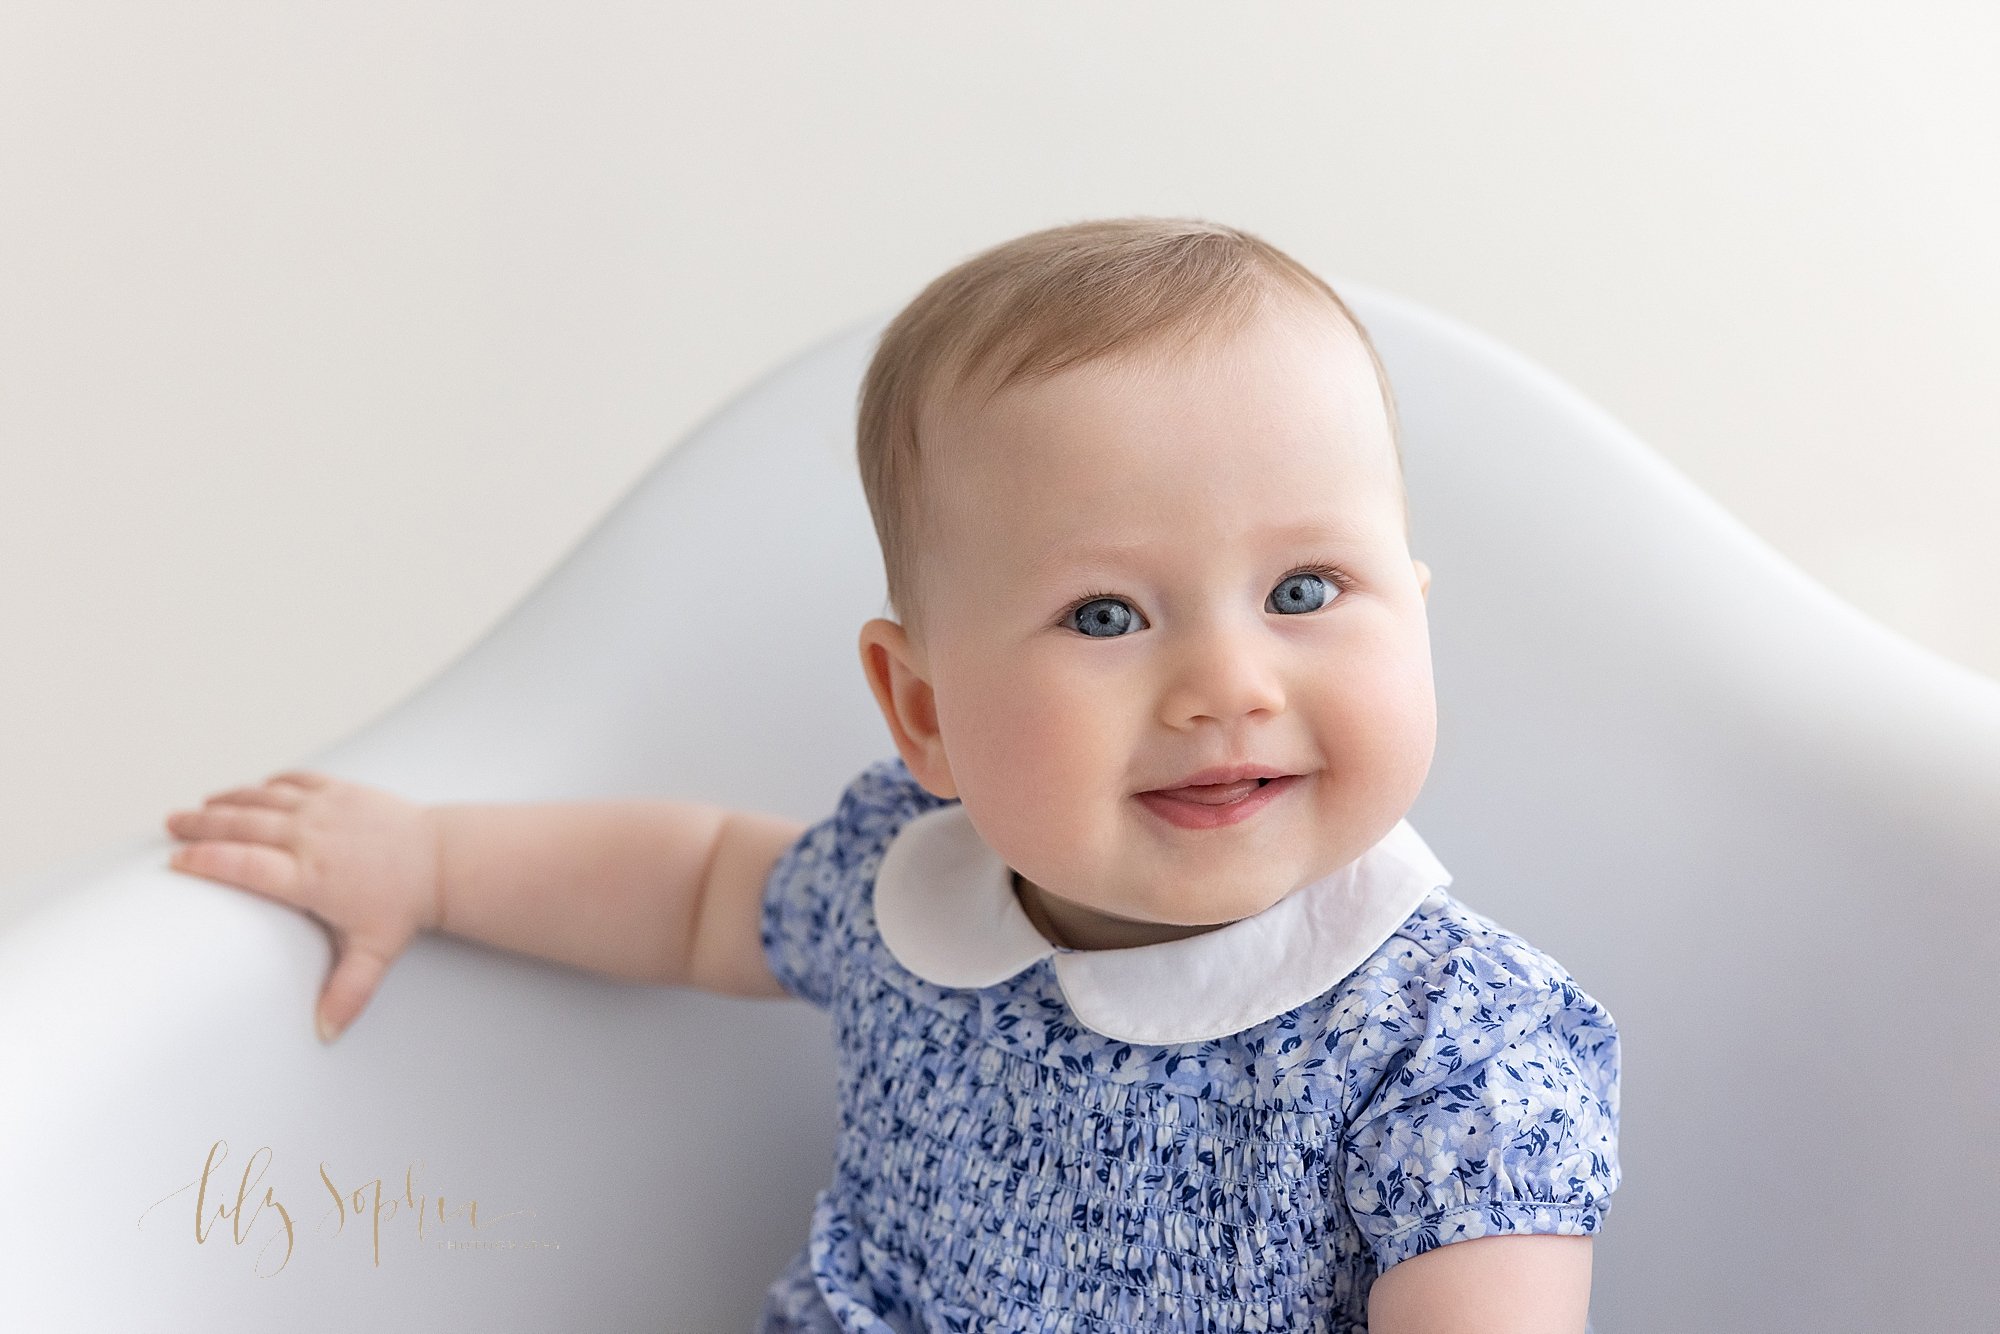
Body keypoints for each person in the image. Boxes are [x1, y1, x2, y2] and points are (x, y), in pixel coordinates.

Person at [163, 217, 1620, 1332]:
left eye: (1305, 590)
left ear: (1416, 613)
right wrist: (427, 861)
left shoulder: (1448, 1051)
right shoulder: (912, 887)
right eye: (1108, 614)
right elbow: (692, 891)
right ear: (921, 707)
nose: (1229, 684)